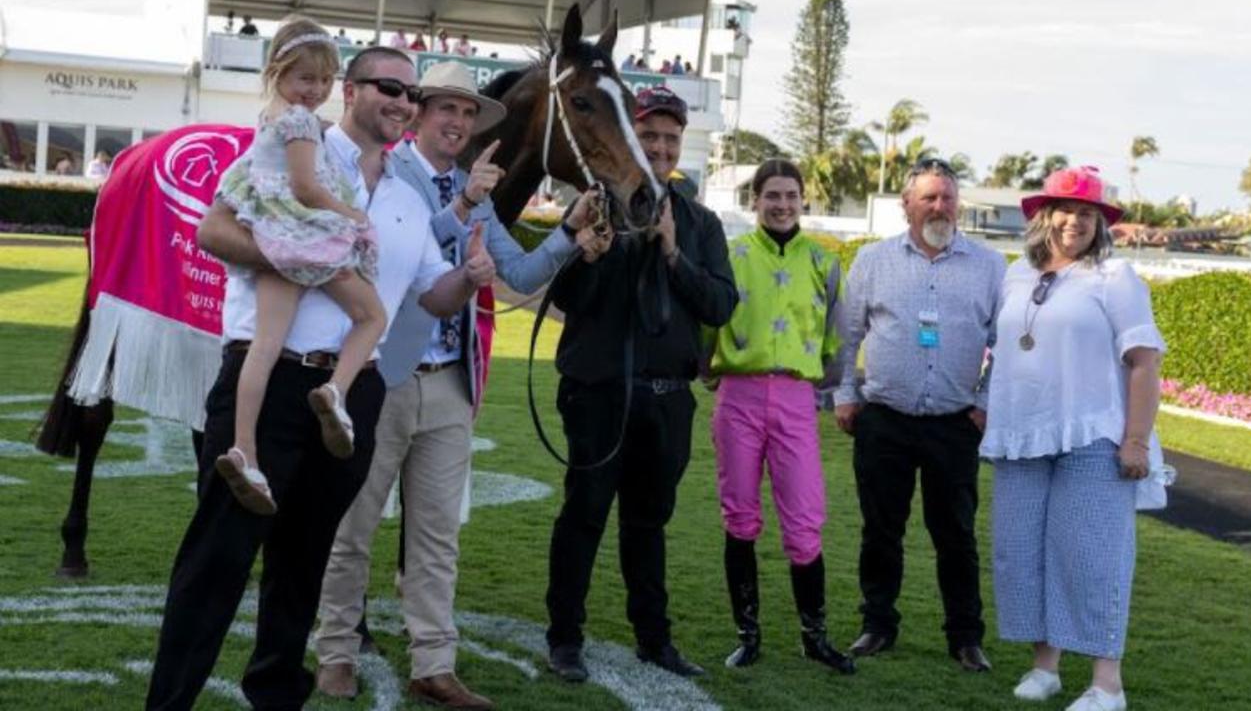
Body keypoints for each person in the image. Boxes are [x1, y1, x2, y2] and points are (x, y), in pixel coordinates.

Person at [145, 45, 496, 710]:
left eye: (410, 94)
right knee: (218, 559)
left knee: (303, 565)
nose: (402, 102)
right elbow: (214, 232)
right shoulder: (289, 147)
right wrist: (300, 259)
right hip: (269, 376)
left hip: (350, 394)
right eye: (388, 87)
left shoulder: (406, 198)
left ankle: (276, 694)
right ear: (350, 92)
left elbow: (430, 295)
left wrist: (469, 277)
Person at [313, 60, 598, 708]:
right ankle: (334, 654)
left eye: (469, 113)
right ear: (418, 113)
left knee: (438, 535)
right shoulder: (386, 173)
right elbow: (391, 257)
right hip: (382, 372)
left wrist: (570, 232)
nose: (459, 122)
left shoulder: (470, 188)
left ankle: (433, 662)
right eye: (448, 109)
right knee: (352, 528)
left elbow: (520, 275)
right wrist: (465, 203)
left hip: (449, 379)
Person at [544, 85, 738, 683]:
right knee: (585, 515)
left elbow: (721, 305)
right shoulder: (594, 205)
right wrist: (587, 255)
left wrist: (676, 255)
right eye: (648, 134)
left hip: (665, 399)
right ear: (631, 136)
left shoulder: (700, 221)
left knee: (649, 524)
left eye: (669, 138)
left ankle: (654, 639)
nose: (658, 146)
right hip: (599, 393)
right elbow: (560, 299)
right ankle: (565, 638)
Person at [981, 167, 1163, 711]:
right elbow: (1004, 350)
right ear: (1044, 215)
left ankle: (1108, 684)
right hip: (1021, 433)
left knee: (1091, 556)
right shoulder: (1016, 274)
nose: (1074, 221)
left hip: (1091, 435)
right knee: (1023, 553)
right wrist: (987, 405)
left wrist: (1135, 440)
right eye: (1065, 209)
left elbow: (1145, 362)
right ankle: (1046, 666)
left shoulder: (1115, 276)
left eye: (1087, 213)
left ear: (1099, 223)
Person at [834, 157, 1005, 672]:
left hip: (954, 425)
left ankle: (964, 637)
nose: (940, 206)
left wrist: (984, 403)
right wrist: (845, 392)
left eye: (948, 197)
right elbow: (847, 335)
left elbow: (1006, 346)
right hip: (884, 418)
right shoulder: (873, 261)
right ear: (906, 204)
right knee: (881, 530)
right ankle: (877, 625)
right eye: (929, 197)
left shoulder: (989, 266)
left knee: (955, 535)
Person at [208, 17, 383, 517]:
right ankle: (335, 391)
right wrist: (351, 214)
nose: (316, 90)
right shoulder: (304, 124)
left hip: (272, 237)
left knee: (264, 346)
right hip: (308, 240)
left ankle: (244, 447)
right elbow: (307, 188)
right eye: (307, 78)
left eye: (325, 81)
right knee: (372, 317)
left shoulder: (269, 121)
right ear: (279, 71)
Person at [707, 159, 853, 675]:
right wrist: (715, 373)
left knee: (805, 522)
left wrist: (822, 388)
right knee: (740, 517)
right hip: (739, 396)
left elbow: (838, 337)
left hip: (796, 399)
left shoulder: (822, 261)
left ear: (802, 201)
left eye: (791, 195)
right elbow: (710, 324)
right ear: (757, 200)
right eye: (773, 195)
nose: (783, 204)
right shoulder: (732, 255)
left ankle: (815, 638)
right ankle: (748, 635)